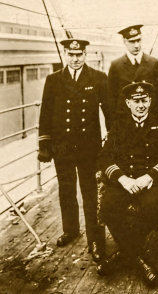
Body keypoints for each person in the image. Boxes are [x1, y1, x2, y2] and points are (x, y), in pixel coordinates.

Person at [96, 82, 158, 287]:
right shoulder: (119, 127)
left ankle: (124, 253)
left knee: (153, 208)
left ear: (150, 101)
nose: (141, 105)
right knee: (107, 207)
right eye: (136, 101)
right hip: (125, 181)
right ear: (128, 103)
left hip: (148, 182)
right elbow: (105, 157)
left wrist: (149, 177)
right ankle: (139, 259)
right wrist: (123, 179)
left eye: (144, 100)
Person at [37, 39, 111, 262]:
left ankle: (95, 239)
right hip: (63, 147)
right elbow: (46, 113)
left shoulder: (98, 78)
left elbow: (109, 113)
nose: (75, 58)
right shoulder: (53, 80)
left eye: (79, 54)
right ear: (65, 54)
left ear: (86, 54)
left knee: (91, 194)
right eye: (71, 54)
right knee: (66, 190)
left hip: (89, 148)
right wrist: (44, 145)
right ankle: (71, 230)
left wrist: (112, 144)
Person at [107, 25, 158, 121]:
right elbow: (112, 99)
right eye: (132, 41)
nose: (136, 45)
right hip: (125, 121)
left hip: (149, 120)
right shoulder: (116, 66)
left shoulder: (153, 63)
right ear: (124, 41)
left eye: (138, 40)